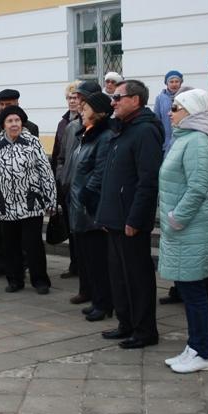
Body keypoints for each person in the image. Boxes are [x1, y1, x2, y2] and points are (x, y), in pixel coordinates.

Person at [97, 80, 163, 349]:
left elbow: (147, 181)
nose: (113, 102)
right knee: (119, 275)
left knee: (137, 277)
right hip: (115, 217)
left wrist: (135, 219)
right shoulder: (122, 129)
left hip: (131, 220)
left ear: (135, 100)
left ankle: (144, 330)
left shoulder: (145, 131)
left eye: (117, 97)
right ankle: (126, 323)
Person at [159, 88, 208, 373]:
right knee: (188, 291)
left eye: (176, 108)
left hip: (190, 229)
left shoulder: (196, 141)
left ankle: (202, 352)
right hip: (182, 230)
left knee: (195, 295)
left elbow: (198, 187)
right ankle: (194, 346)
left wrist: (176, 218)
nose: (170, 113)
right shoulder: (184, 139)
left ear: (190, 112)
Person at [0, 105, 57, 294]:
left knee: (33, 245)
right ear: (3, 125)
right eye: (10, 121)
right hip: (5, 205)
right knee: (10, 245)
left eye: (17, 121)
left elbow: (45, 172)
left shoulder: (33, 143)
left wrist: (50, 198)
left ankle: (40, 280)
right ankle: (15, 279)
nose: (14, 124)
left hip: (30, 203)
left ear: (22, 123)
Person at [67, 92, 114, 321]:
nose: (81, 112)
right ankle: (97, 299)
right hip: (80, 205)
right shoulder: (86, 134)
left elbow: (100, 171)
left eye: (85, 109)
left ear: (97, 112)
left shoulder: (104, 136)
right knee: (88, 260)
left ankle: (104, 303)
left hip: (91, 207)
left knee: (98, 261)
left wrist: (86, 195)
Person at [51, 81, 83, 282]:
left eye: (76, 98)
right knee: (71, 227)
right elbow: (57, 154)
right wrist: (58, 177)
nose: (72, 101)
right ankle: (74, 264)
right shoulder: (63, 123)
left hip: (78, 183)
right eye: (69, 98)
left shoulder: (85, 121)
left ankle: (83, 265)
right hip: (64, 182)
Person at [154, 70, 184, 152]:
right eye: (171, 82)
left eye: (177, 81)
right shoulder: (160, 98)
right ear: (167, 83)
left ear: (180, 83)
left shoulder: (185, 97)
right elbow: (156, 119)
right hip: (165, 141)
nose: (174, 84)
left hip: (181, 139)